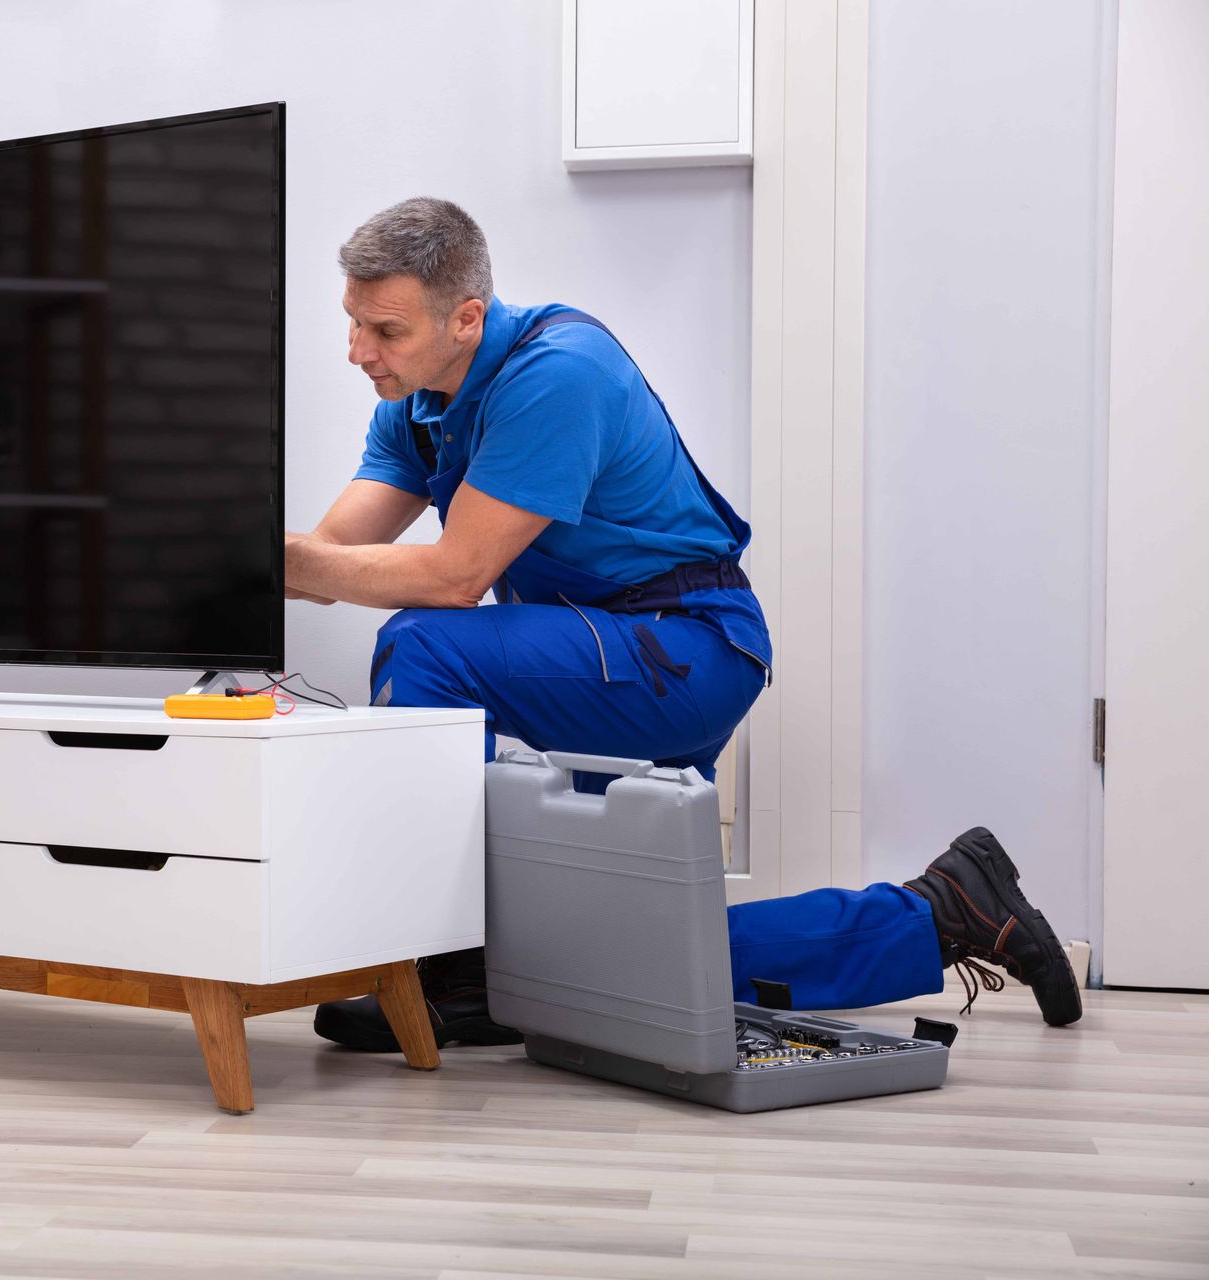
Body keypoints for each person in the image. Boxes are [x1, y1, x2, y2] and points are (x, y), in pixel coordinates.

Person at [287, 198, 1081, 1052]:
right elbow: (332, 558)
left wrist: (278, 561)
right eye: (353, 323)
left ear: (466, 317)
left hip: (685, 646)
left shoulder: (556, 371)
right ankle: (947, 911)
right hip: (600, 653)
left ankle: (452, 970)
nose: (358, 351)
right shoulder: (417, 405)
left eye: (386, 331)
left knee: (423, 640)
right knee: (602, 957)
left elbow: (453, 578)